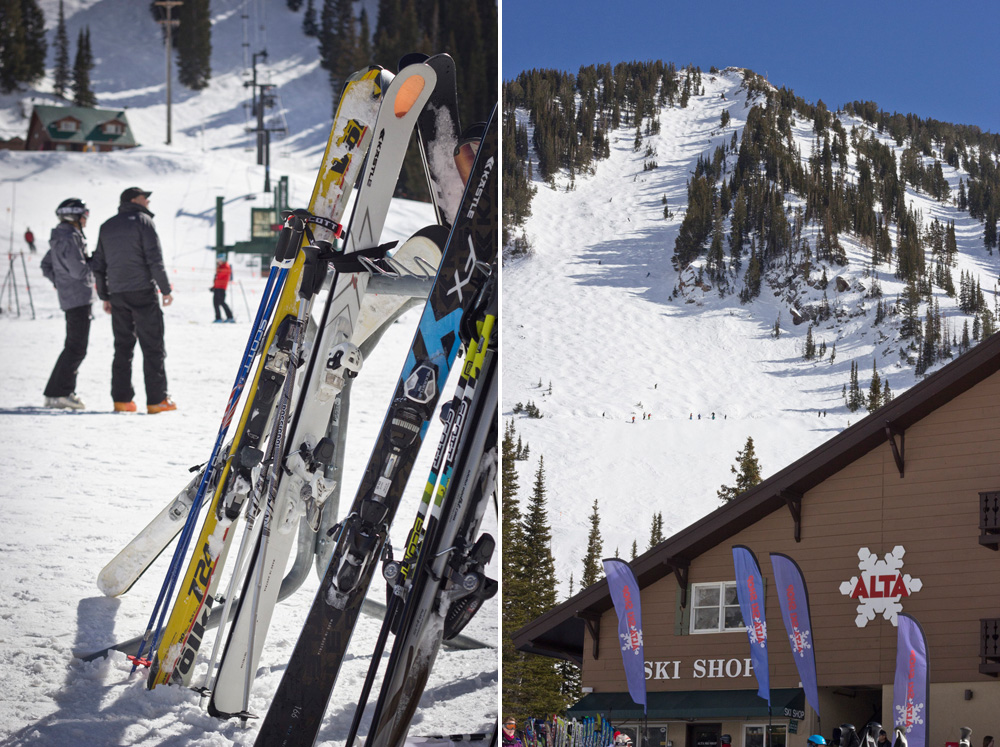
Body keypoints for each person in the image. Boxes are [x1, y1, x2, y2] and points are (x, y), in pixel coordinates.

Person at [91, 187, 177, 414]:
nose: (148, 200)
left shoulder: (107, 225)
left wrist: (105, 296)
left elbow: (98, 265)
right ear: (133, 200)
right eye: (144, 197)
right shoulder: (143, 222)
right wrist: (165, 289)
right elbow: (154, 258)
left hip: (118, 295)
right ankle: (157, 401)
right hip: (142, 292)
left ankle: (122, 401)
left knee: (122, 347)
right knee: (153, 346)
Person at [40, 199, 94, 409]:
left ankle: (56, 393)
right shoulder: (69, 237)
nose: (86, 220)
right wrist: (97, 260)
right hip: (78, 298)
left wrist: (60, 283)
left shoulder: (61, 237)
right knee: (77, 347)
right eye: (84, 216)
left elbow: (46, 265)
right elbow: (78, 270)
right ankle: (61, 393)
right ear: (75, 217)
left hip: (72, 296)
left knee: (74, 346)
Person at [211, 253, 234, 323]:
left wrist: (218, 269)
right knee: (215, 303)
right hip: (217, 288)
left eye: (220, 260)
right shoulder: (220, 267)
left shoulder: (226, 267)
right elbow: (217, 279)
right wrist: (214, 287)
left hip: (221, 288)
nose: (218, 262)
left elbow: (219, 276)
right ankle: (218, 318)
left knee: (222, 302)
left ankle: (230, 317)